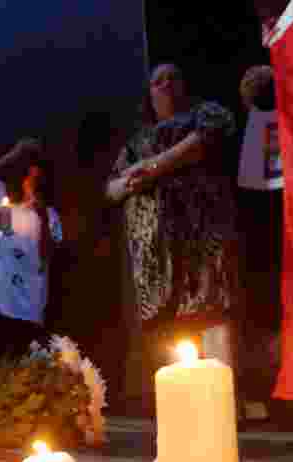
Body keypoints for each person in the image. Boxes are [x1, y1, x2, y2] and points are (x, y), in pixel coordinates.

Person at [105, 63, 241, 400]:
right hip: (154, 250)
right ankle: (182, 407)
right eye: (157, 80)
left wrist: (153, 167)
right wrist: (130, 179)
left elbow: (205, 139)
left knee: (210, 310)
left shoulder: (204, 114)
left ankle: (224, 401)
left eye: (173, 77)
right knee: (166, 326)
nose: (165, 84)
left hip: (202, 235)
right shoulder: (137, 140)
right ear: (149, 92)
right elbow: (111, 188)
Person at [236, 64, 293, 424]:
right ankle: (275, 394)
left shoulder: (291, 131)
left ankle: (286, 395)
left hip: (285, 236)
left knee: (280, 319)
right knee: (266, 322)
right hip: (257, 244)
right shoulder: (245, 139)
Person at [0, 161, 63, 365]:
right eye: (30, 178)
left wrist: (42, 219)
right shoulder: (6, 210)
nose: (34, 184)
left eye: (39, 179)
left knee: (21, 354)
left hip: (27, 295)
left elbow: (49, 253)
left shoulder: (50, 215)